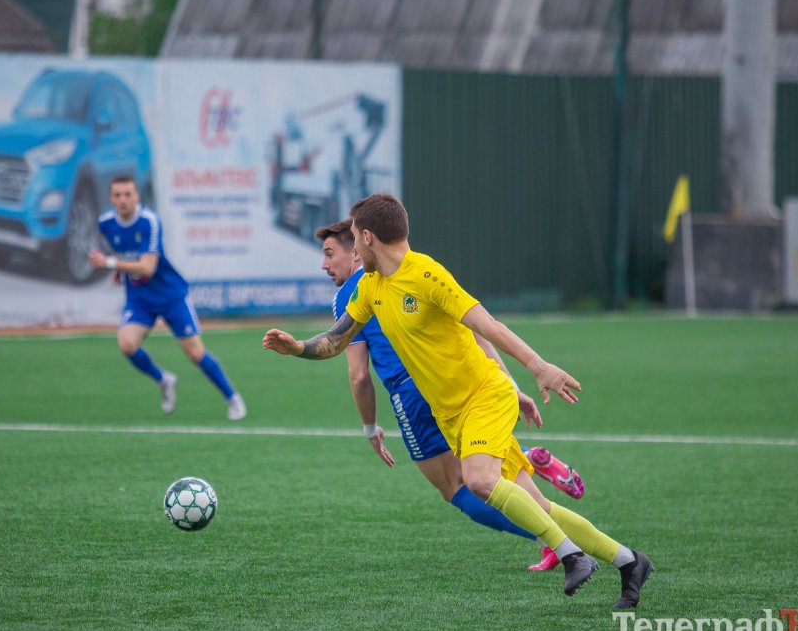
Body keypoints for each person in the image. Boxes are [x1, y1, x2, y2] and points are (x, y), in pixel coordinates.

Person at [265, 194, 652, 608]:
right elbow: (336, 339)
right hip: (451, 414)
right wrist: (298, 348)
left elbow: (487, 325)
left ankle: (570, 554)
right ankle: (629, 561)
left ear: (369, 237)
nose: (355, 250)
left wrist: (538, 367)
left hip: (484, 395)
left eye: (356, 239)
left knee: (478, 481)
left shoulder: (427, 274)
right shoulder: (371, 287)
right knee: (538, 506)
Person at [315, 218, 585, 572]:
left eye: (330, 253)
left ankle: (549, 538)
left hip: (412, 394)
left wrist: (370, 427)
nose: (324, 264)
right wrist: (511, 385)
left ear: (359, 247)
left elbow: (359, 374)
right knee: (483, 463)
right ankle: (529, 462)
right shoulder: (419, 271)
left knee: (455, 486)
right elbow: (474, 329)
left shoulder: (353, 294)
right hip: (465, 380)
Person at [89, 175, 246, 420]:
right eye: (117, 195)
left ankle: (232, 397)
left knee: (195, 352)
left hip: (170, 295)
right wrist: (121, 269)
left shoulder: (149, 221)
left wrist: (111, 264)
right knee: (127, 344)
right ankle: (164, 380)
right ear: (111, 198)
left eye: (128, 194)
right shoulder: (106, 223)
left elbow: (148, 267)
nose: (123, 200)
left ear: (137, 196)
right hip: (140, 299)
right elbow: (125, 253)